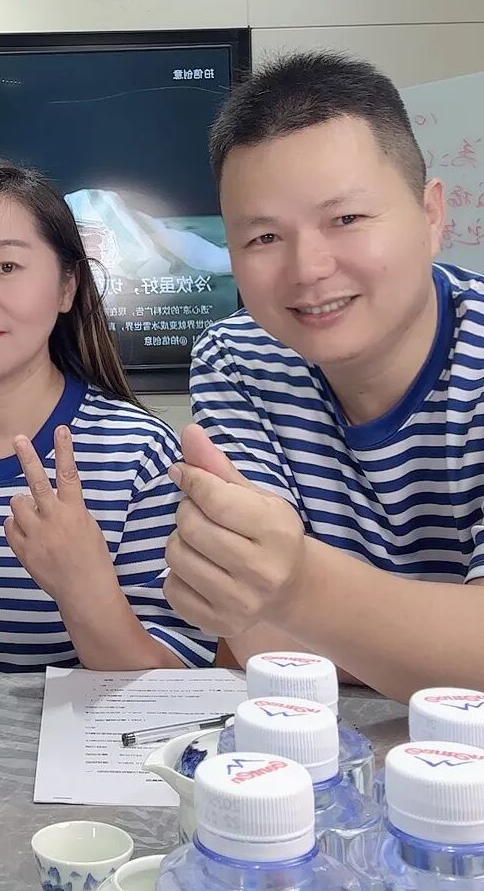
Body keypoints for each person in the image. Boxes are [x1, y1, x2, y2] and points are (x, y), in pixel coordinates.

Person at [163, 51, 484, 703]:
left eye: (346, 219)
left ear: (431, 215)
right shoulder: (238, 360)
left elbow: (268, 598)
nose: (308, 268)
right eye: (263, 238)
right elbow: (254, 634)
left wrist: (297, 587)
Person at [0, 157, 215, 673]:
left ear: (67, 286)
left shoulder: (139, 455)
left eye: (6, 267)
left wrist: (82, 587)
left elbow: (175, 685)